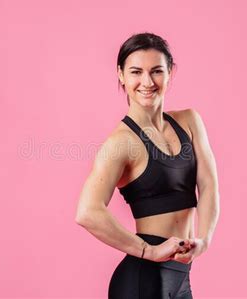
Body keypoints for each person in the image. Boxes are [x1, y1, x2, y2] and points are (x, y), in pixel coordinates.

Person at [75, 32, 220, 299]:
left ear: (170, 73)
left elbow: (209, 185)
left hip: (180, 278)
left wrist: (204, 240)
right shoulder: (121, 143)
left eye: (156, 71)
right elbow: (87, 211)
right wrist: (149, 251)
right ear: (120, 75)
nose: (147, 82)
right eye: (135, 72)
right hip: (143, 281)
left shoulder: (189, 122)